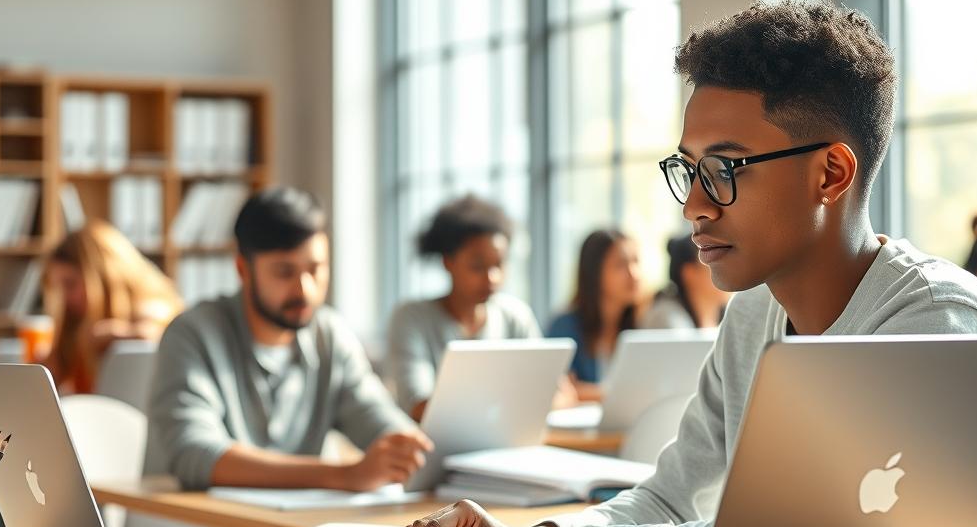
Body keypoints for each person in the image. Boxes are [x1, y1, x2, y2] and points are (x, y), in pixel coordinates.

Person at [382, 0, 977, 527]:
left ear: (830, 174)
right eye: (689, 168)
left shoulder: (938, 324)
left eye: (726, 169)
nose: (694, 204)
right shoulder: (752, 314)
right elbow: (668, 495)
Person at [145, 187, 433, 491]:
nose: (305, 289)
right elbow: (194, 453)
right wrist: (342, 475)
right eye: (284, 272)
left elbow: (377, 419)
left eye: (316, 269)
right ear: (243, 269)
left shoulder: (330, 335)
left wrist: (408, 449)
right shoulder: (191, 334)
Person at [386, 195, 541, 421]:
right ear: (448, 262)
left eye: (499, 264)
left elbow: (548, 391)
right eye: (477, 266)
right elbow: (418, 405)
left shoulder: (517, 317)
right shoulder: (411, 319)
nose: (492, 278)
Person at [41, 220, 183, 394]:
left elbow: (159, 336)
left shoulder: (154, 310)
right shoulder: (76, 324)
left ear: (104, 277)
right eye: (60, 288)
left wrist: (114, 334)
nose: (66, 298)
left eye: (71, 284)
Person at [546, 229, 643, 401]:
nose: (634, 274)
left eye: (636, 261)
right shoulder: (564, 326)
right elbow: (558, 390)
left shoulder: (641, 325)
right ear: (594, 272)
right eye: (620, 265)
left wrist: (587, 392)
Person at [640, 234, 730, 330]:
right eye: (717, 261)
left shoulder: (728, 318)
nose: (730, 270)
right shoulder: (666, 318)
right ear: (689, 273)